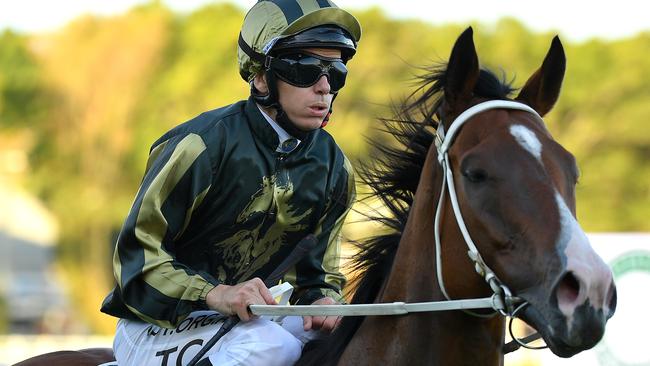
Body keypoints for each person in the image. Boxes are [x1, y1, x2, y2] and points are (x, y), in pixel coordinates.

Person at [100, 1, 361, 365]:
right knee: (270, 346)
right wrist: (216, 293)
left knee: (349, 334)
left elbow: (319, 276)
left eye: (336, 73)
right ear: (259, 76)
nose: (323, 87)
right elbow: (136, 265)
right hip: (155, 323)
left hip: (246, 317)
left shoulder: (335, 169)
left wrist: (323, 299)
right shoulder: (200, 146)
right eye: (305, 69)